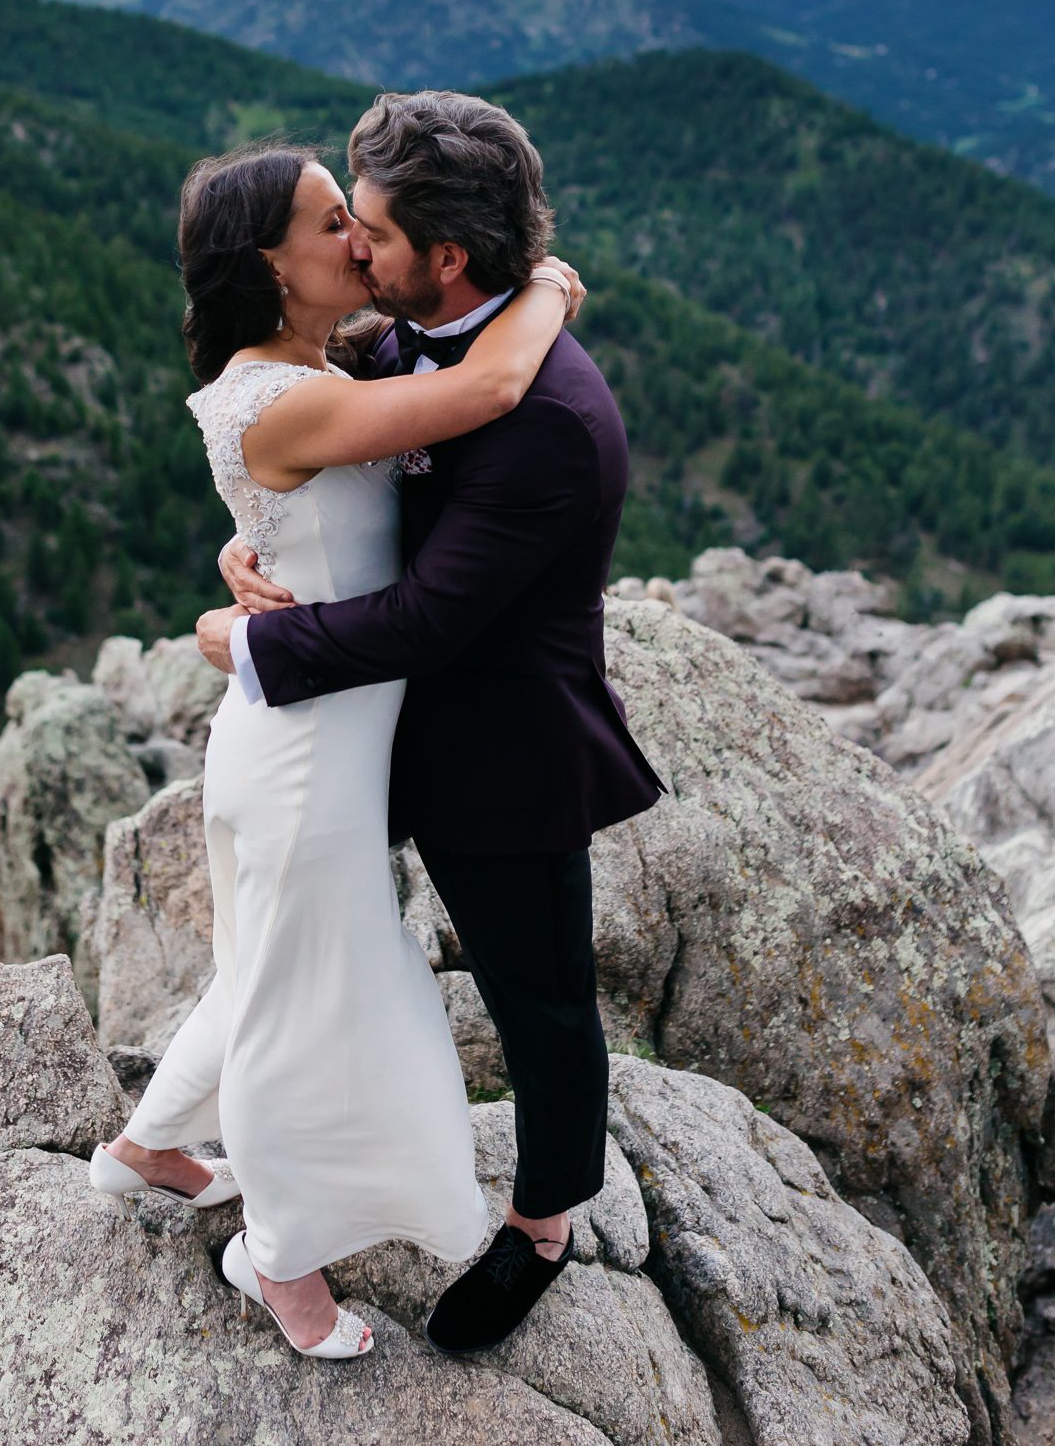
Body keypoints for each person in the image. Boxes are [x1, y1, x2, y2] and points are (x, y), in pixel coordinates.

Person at [90, 135, 584, 1362]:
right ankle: (284, 1257)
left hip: (305, 734)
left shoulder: (312, 364)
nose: (358, 242)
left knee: (271, 968)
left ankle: (149, 1149)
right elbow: (478, 393)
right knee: (314, 1001)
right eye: (331, 225)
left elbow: (319, 500)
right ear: (268, 265)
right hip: (306, 753)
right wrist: (553, 288)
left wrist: (242, 564)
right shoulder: (293, 394)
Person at [198, 89, 668, 1360]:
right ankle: (209, 1142)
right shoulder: (405, 337)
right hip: (364, 740)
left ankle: (544, 1221)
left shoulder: (552, 421)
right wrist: (254, 549)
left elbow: (427, 620)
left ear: (446, 258)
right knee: (320, 955)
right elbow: (317, 465)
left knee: (541, 1002)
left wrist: (244, 638)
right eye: (343, 223)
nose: (354, 247)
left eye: (374, 231)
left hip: (496, 756)